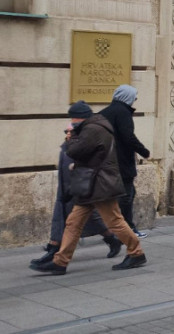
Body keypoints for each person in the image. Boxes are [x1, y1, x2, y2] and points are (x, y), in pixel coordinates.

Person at [30, 102, 146, 275]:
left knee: (114, 221)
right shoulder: (93, 126)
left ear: (79, 117)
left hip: (100, 185)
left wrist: (70, 138)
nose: (71, 121)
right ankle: (60, 262)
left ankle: (136, 253)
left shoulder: (93, 129)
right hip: (91, 185)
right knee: (73, 222)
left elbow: (75, 151)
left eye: (73, 118)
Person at [98, 84, 151, 238]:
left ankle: (116, 229)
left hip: (108, 161)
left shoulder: (106, 112)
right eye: (134, 96)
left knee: (122, 196)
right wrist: (144, 151)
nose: (135, 99)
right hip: (121, 162)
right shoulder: (122, 113)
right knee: (127, 196)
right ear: (127, 97)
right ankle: (127, 230)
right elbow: (128, 137)